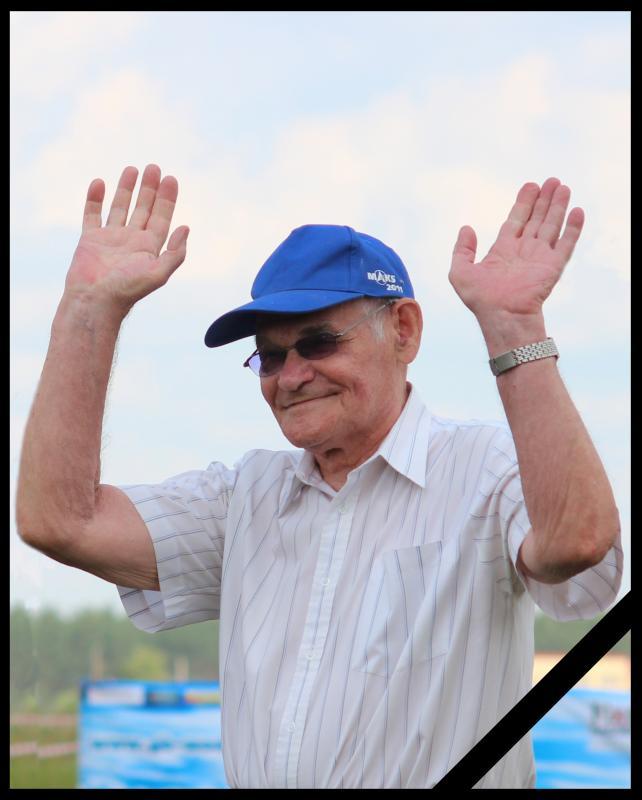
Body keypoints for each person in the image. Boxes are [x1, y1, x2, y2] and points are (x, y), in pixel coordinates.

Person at [16, 164, 623, 789]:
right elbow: (59, 522)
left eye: (319, 342)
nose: (291, 375)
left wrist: (515, 325)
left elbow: (577, 543)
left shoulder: (482, 470)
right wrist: (88, 309)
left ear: (405, 331)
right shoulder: (244, 500)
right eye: (270, 355)